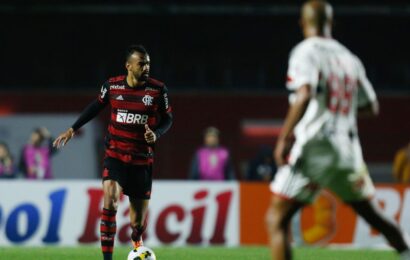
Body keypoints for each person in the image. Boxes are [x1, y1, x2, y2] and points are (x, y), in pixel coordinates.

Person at [265, 1, 410, 260]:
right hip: (347, 149)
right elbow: (371, 106)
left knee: (277, 219)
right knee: (372, 215)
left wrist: (284, 137)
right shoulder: (349, 57)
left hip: (315, 147)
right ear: (331, 23)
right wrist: (338, 112)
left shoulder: (305, 52)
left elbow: (304, 93)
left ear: (302, 23)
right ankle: (406, 251)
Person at [53, 45, 173, 260]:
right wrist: (73, 128)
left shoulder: (157, 90)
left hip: (141, 160)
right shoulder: (113, 86)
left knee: (137, 222)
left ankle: (137, 239)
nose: (146, 67)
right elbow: (95, 106)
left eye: (148, 64)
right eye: (141, 63)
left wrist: (156, 134)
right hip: (115, 155)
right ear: (128, 66)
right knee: (110, 199)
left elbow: (168, 119)